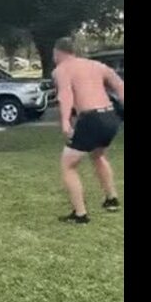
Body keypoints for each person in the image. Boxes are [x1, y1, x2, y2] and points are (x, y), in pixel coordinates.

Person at [52, 37, 125, 224]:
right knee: (98, 155)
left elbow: (65, 95)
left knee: (68, 165)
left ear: (58, 52)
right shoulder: (95, 65)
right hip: (110, 116)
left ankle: (80, 215)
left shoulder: (62, 69)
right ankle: (111, 199)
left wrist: (65, 122)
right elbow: (119, 85)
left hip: (91, 118)